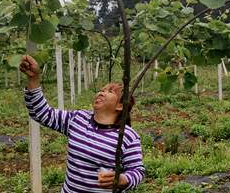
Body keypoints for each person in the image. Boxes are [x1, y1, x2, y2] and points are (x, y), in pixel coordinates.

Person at [20, 55, 145, 192]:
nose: (101, 93)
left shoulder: (128, 136)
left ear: (120, 106)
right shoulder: (78, 119)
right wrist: (33, 79)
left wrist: (123, 179)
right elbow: (42, 114)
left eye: (109, 91)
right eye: (101, 90)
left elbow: (137, 171)